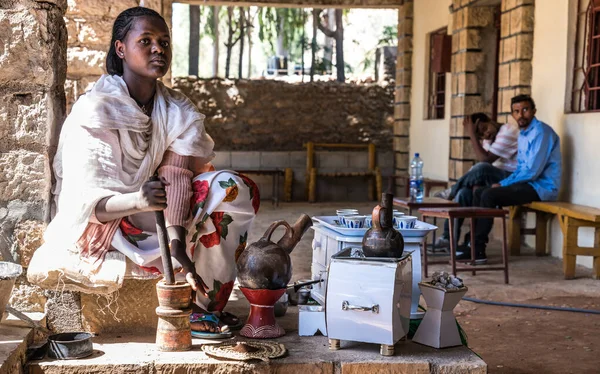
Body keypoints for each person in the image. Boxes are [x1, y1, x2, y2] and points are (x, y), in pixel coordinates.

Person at [27, 7, 258, 338]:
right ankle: (187, 305)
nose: (158, 49)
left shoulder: (174, 110)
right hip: (112, 220)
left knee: (234, 187)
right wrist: (137, 199)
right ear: (121, 49)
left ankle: (204, 306)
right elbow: (85, 205)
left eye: (164, 42)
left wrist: (177, 244)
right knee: (214, 194)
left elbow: (176, 177)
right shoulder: (96, 111)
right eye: (146, 40)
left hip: (159, 213)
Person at [457, 95, 562, 263]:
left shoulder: (541, 132)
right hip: (527, 184)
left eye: (525, 110)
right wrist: (503, 183)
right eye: (516, 111)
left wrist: (503, 184)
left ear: (534, 111)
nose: (521, 115)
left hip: (542, 187)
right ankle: (472, 244)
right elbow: (521, 168)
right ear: (512, 114)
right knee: (479, 192)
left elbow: (531, 172)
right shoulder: (523, 135)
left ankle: (478, 250)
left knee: (489, 195)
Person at [436, 112, 519, 249]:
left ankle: (452, 190)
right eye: (480, 135)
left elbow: (485, 161)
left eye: (485, 129)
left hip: (510, 177)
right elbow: (483, 167)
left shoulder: (508, 131)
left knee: (481, 168)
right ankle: (448, 238)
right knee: (463, 194)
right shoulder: (489, 138)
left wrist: (472, 135)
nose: (485, 135)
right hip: (493, 178)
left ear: (489, 120)